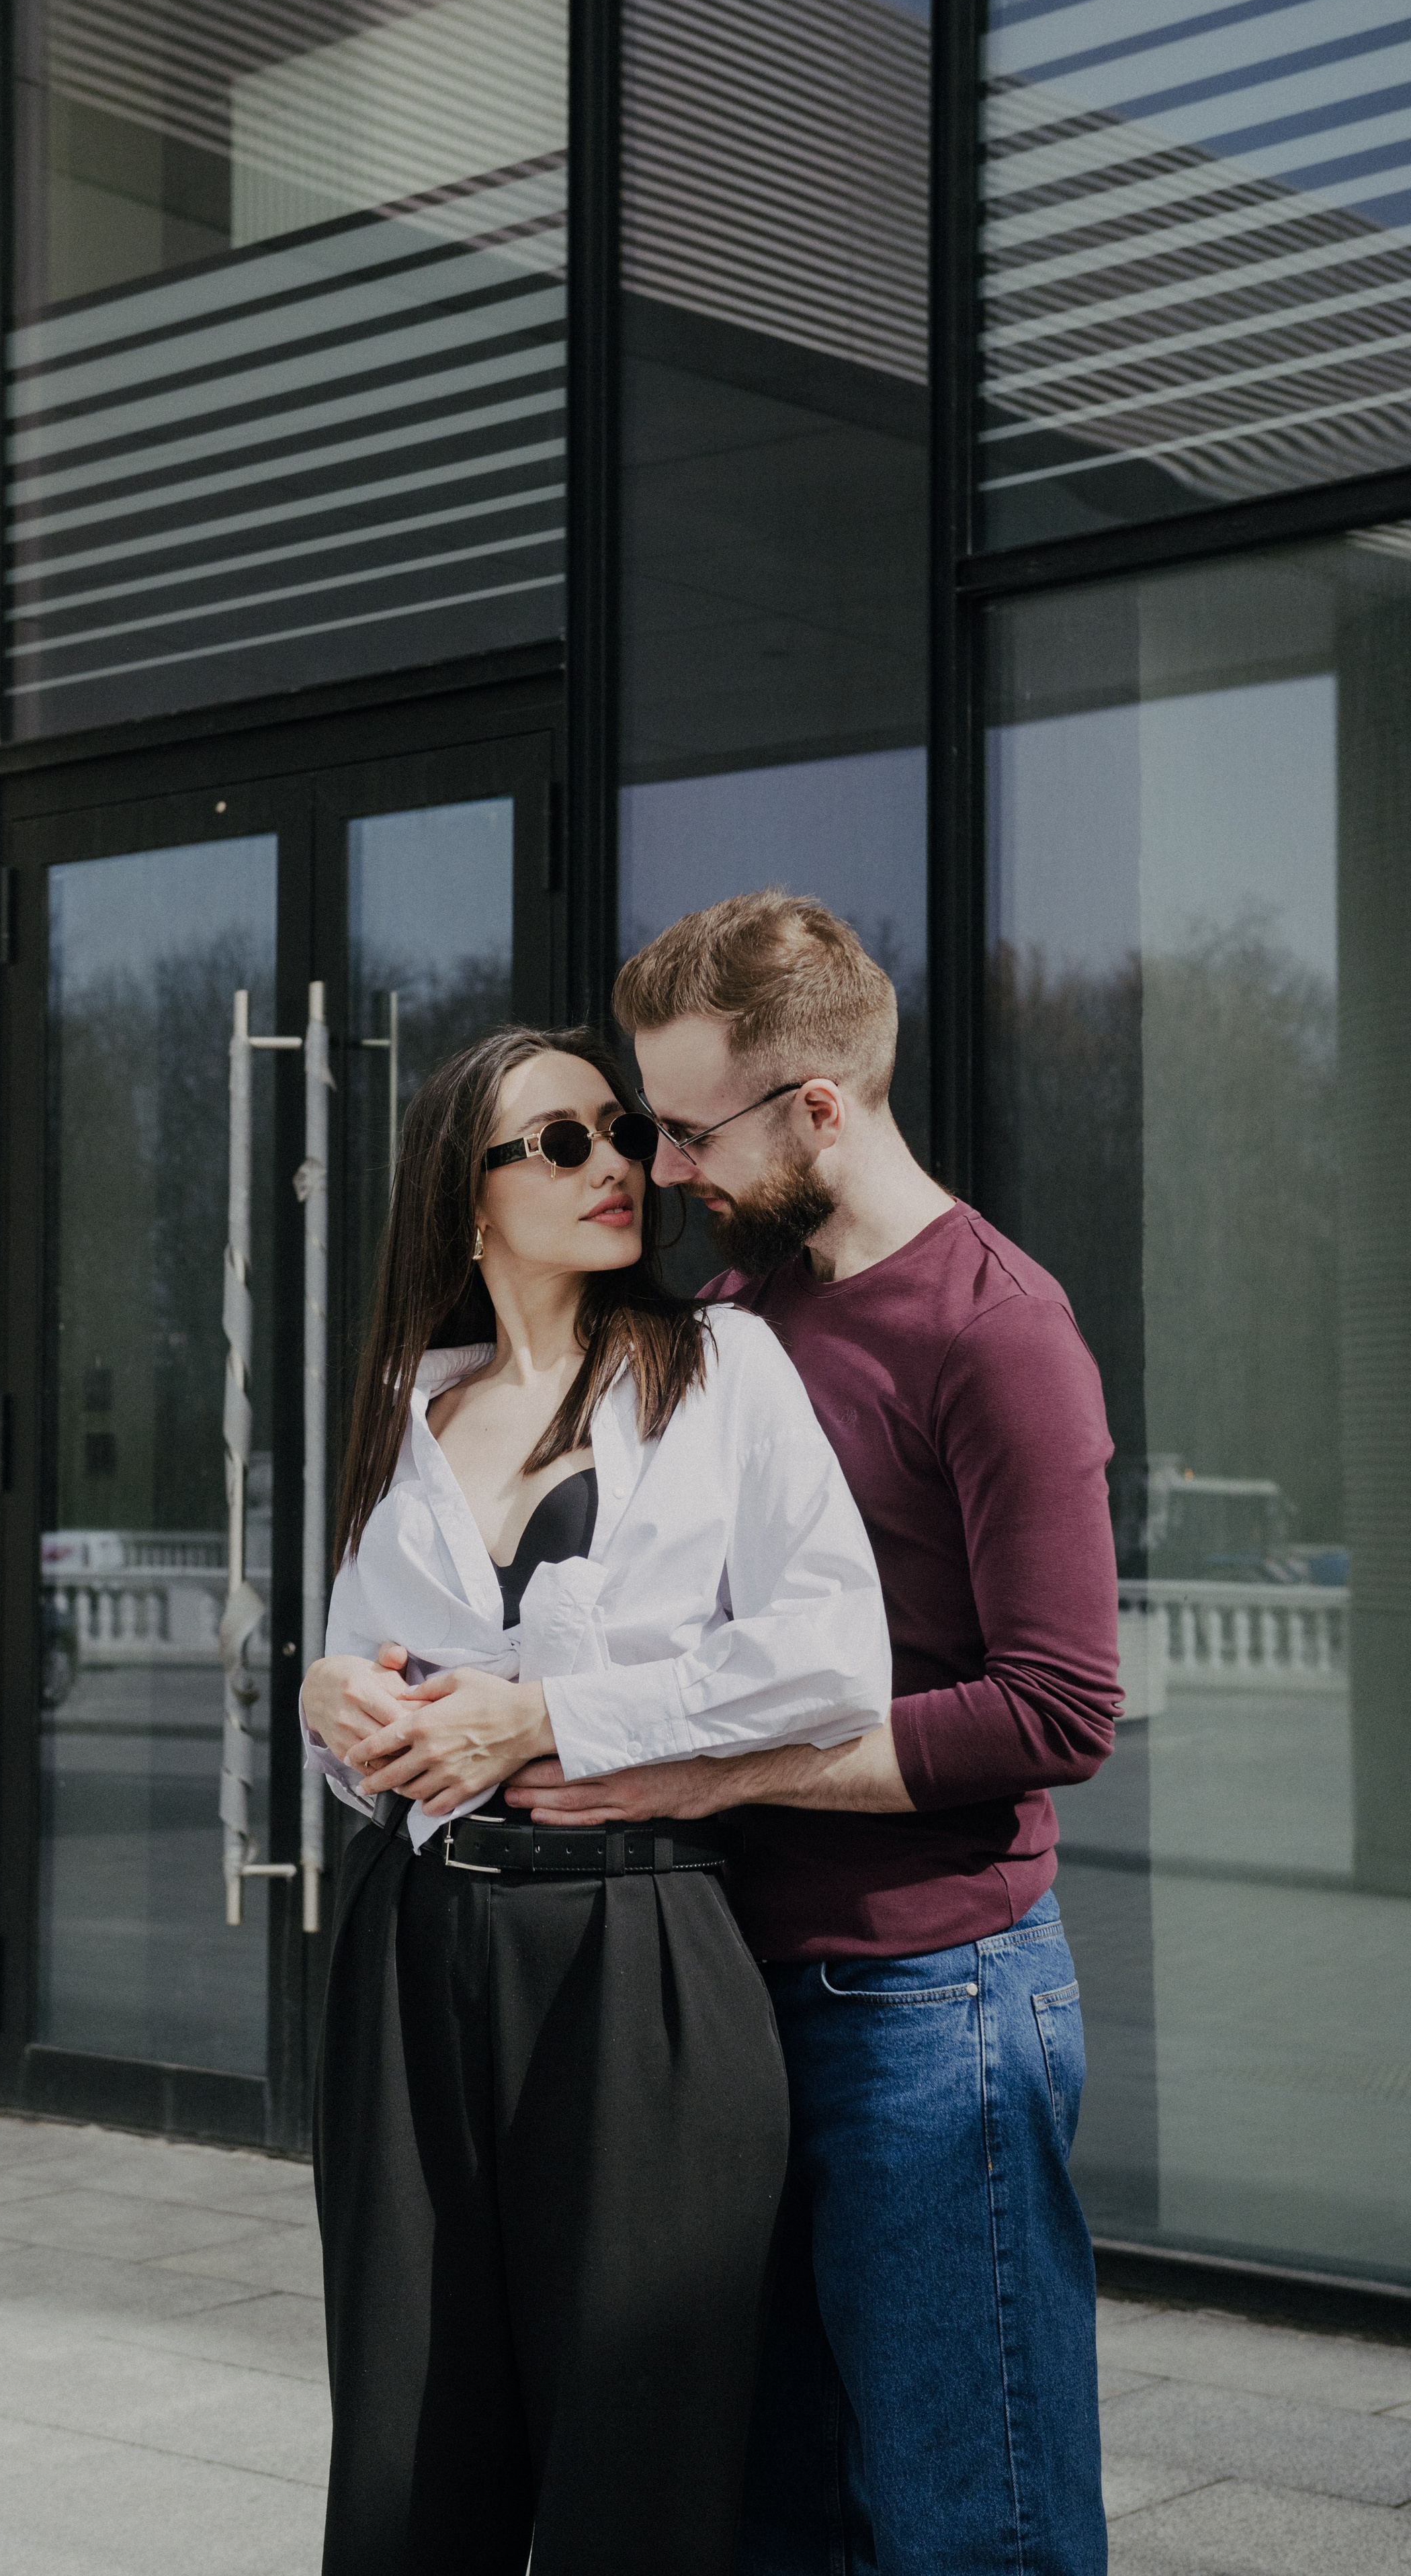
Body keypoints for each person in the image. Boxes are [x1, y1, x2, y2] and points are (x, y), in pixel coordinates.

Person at [507, 893, 1119, 2576]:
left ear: (818, 1110)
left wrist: (713, 1765)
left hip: (930, 2007)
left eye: (689, 1129)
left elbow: (1060, 1706)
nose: (667, 1166)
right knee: (767, 2510)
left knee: (964, 2520)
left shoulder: (999, 1332)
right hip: (724, 1987)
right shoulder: (738, 1312)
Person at [300, 1021, 892, 2576]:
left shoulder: (719, 1365)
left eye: (617, 1129)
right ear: (468, 1193)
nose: (616, 1164)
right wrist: (323, 1700)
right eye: (558, 1143)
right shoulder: (406, 1404)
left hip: (635, 1948)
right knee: (405, 2453)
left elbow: (830, 1657)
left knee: (639, 2466)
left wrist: (549, 1715)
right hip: (409, 1946)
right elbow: (384, 1696)